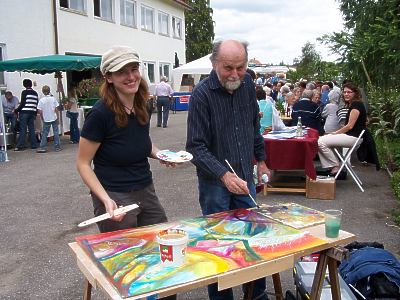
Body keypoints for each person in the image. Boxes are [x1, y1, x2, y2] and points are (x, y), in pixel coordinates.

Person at [186, 39, 270, 300]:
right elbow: (195, 148)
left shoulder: (247, 87)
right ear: (214, 64)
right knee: (218, 245)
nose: (235, 74)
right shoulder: (201, 95)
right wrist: (223, 174)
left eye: (240, 67)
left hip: (245, 176)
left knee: (252, 239)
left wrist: (262, 159)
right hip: (214, 184)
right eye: (228, 68)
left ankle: (256, 294)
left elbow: (253, 128)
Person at [318, 83, 367, 176]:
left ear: (355, 93)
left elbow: (350, 126)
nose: (346, 94)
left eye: (349, 92)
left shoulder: (356, 105)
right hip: (352, 136)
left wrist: (335, 133)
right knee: (321, 140)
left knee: (319, 142)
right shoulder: (355, 104)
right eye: (344, 92)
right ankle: (333, 165)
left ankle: (335, 166)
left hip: (353, 138)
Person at [14, 79, 39, 151]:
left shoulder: (24, 92)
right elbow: (36, 103)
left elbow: (22, 103)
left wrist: (16, 110)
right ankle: (33, 144)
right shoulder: (35, 93)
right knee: (31, 128)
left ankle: (20, 145)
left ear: (24, 85)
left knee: (23, 129)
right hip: (33, 112)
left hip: (24, 112)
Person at [36, 85, 61, 153]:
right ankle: (57, 147)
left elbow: (39, 111)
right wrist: (58, 117)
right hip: (54, 117)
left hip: (46, 118)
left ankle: (42, 147)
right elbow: (56, 109)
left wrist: (42, 118)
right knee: (56, 132)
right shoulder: (53, 99)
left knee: (45, 133)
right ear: (49, 91)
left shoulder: (41, 100)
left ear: (43, 92)